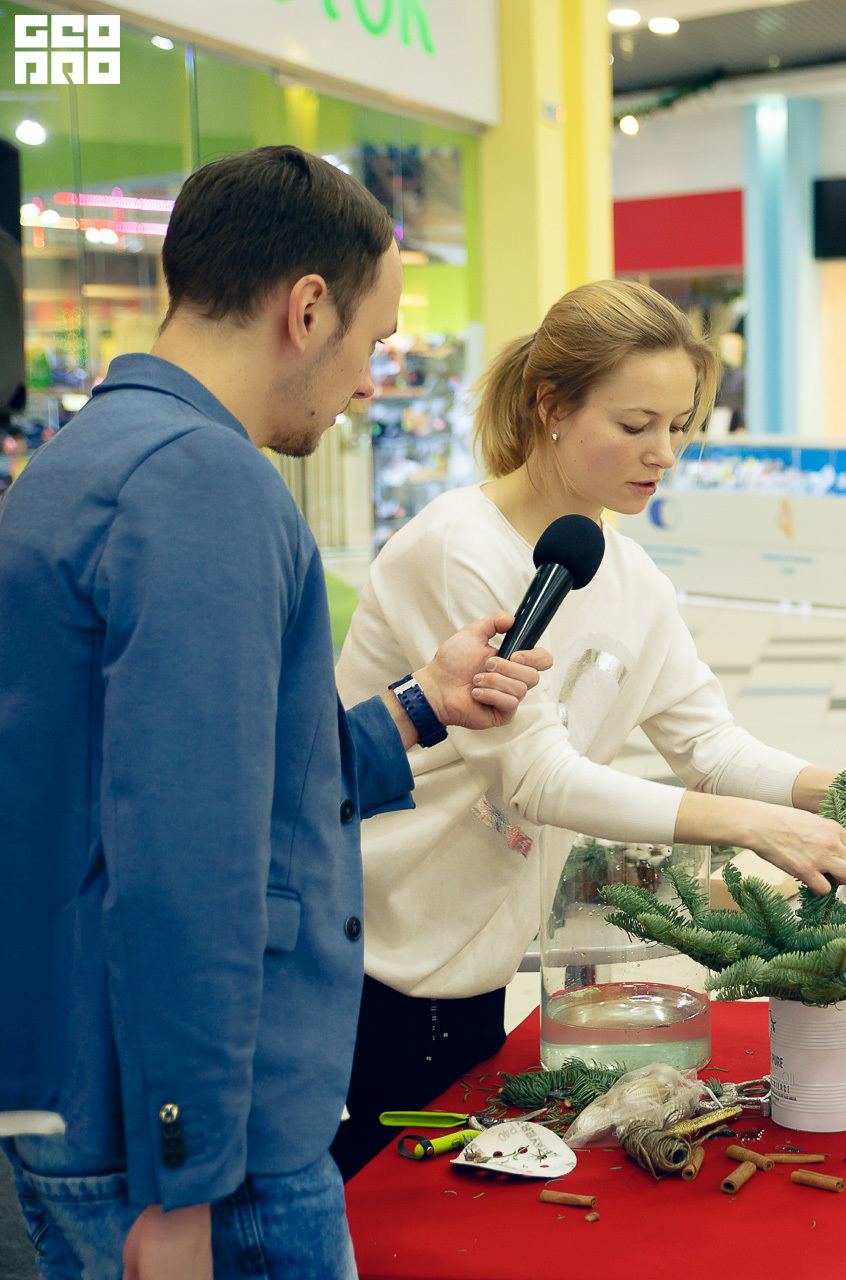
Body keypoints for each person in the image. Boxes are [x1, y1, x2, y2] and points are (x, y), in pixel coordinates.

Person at [0, 146, 552, 1280]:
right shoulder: (204, 482)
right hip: (206, 1144)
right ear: (306, 310)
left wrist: (418, 707)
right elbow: (186, 855)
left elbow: (210, 777)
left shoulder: (84, 458)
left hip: (96, 1087)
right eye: (372, 342)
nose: (370, 384)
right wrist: (188, 1174)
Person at [329, 279, 846, 1179]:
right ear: (551, 406)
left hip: (472, 947)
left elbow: (709, 746)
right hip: (369, 942)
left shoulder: (630, 575)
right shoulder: (458, 548)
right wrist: (755, 826)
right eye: (635, 423)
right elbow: (537, 775)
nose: (664, 453)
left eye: (680, 425)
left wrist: (834, 790)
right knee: (380, 1192)